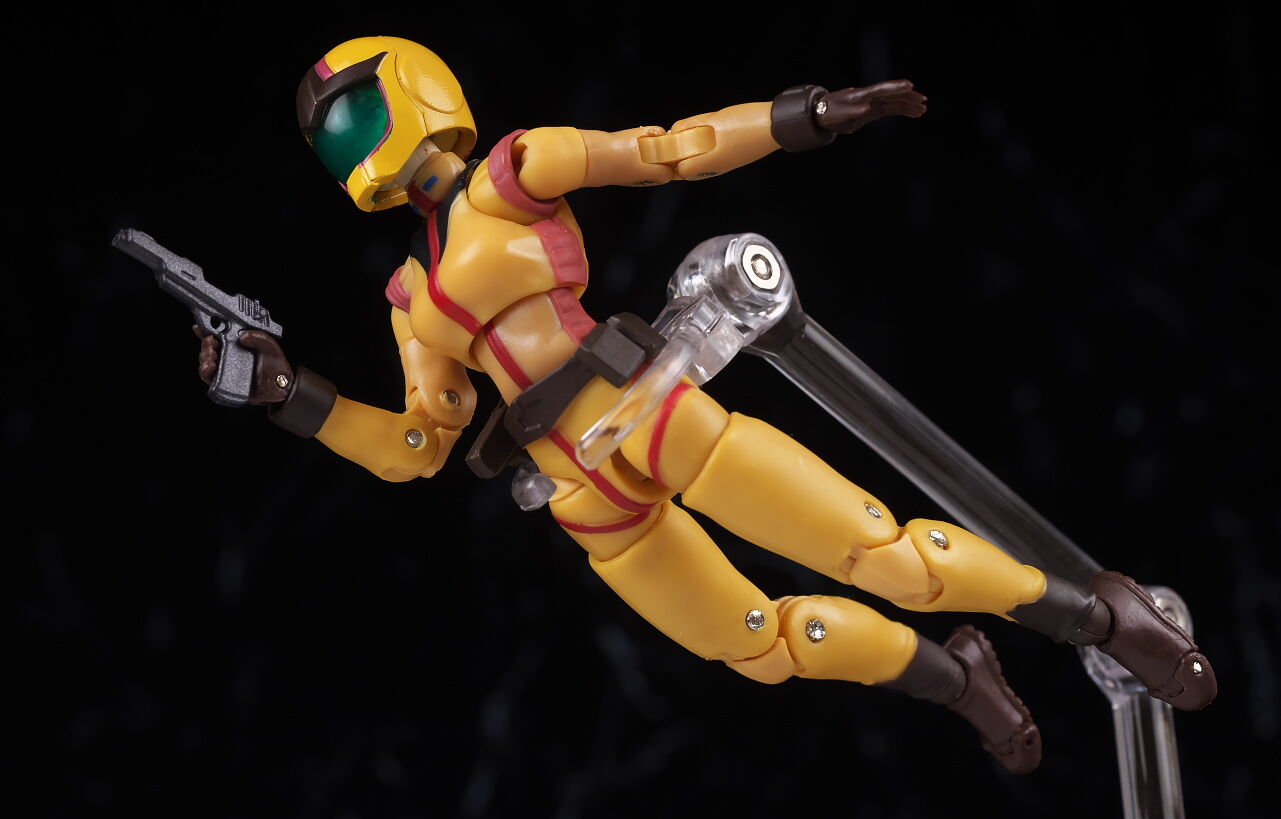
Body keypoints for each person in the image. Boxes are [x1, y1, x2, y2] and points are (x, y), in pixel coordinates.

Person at [197, 36, 1215, 774]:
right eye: (334, 139)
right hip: (580, 494)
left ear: (411, 91)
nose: (354, 147)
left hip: (651, 415)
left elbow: (666, 149)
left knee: (886, 560)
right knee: (760, 646)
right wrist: (292, 394)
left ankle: (1098, 616)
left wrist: (801, 116)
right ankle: (957, 680)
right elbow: (418, 445)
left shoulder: (514, 173)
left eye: (357, 116)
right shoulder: (409, 297)